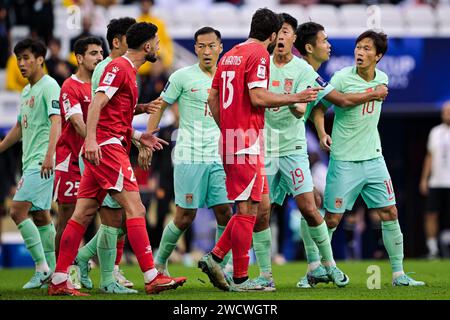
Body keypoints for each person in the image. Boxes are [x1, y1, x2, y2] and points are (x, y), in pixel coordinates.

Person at [48, 22, 186, 296]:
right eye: (156, 43)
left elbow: (113, 112)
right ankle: (151, 276)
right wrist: (91, 140)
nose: (159, 47)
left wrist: (138, 135)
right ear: (147, 46)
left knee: (82, 214)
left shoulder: (127, 72)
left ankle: (59, 279)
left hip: (109, 144)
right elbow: (97, 102)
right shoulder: (118, 68)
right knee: (135, 209)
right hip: (107, 147)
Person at [197, 8, 323, 292]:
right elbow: (257, 96)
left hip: (232, 140)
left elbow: (213, 96)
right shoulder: (258, 56)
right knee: (248, 209)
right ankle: (241, 278)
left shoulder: (230, 54)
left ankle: (216, 256)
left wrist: (226, 127)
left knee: (259, 205)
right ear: (273, 34)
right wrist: (296, 96)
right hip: (247, 142)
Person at [313, 30, 425, 287]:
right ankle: (318, 267)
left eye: (366, 48)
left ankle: (399, 274)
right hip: (344, 160)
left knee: (390, 212)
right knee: (332, 218)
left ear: (379, 55)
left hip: (374, 159)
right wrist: (321, 133)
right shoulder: (342, 77)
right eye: (358, 47)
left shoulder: (383, 78)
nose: (359, 53)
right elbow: (320, 107)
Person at [293, 21, 389, 288]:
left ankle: (316, 268)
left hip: (295, 147)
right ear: (310, 47)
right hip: (281, 147)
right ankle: (244, 269)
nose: (330, 45)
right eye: (325, 40)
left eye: (365, 48)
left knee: (308, 206)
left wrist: (321, 132)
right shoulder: (310, 72)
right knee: (259, 210)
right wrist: (374, 93)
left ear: (377, 56)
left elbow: (314, 109)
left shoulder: (311, 73)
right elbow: (342, 101)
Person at [146, 26, 233, 276]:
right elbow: (160, 106)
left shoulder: (228, 77)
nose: (206, 51)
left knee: (225, 212)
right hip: (189, 155)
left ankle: (221, 265)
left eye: (211, 46)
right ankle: (159, 264)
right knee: (184, 217)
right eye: (201, 46)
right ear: (195, 48)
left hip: (219, 156)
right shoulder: (182, 76)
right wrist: (148, 138)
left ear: (220, 48)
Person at [0, 38, 61, 289]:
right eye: (18, 59)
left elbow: (57, 121)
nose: (21, 64)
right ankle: (57, 273)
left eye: (26, 58)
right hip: (31, 162)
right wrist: (1, 147)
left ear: (40, 60)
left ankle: (41, 268)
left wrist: (49, 155)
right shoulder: (26, 91)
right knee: (41, 216)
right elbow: (19, 127)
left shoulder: (49, 86)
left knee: (17, 210)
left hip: (42, 161)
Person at [53, 37, 104, 262]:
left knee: (112, 216)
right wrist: (97, 142)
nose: (100, 57)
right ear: (80, 58)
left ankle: (94, 264)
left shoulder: (102, 87)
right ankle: (61, 272)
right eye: (94, 53)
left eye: (101, 53)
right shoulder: (69, 86)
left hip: (96, 159)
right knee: (68, 217)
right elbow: (76, 122)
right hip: (71, 160)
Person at [420, 101, 450, 258]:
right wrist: (424, 178)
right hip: (436, 181)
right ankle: (433, 249)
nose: (446, 114)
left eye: (449, 111)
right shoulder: (435, 132)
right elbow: (429, 157)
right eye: (444, 111)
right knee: (431, 215)